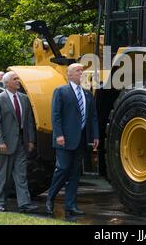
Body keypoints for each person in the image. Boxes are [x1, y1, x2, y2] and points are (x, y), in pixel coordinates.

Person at [46, 63, 99, 216]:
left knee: (75, 173)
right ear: (69, 74)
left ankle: (71, 205)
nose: (81, 73)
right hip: (64, 139)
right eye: (78, 70)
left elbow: (93, 117)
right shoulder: (61, 91)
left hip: (81, 140)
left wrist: (95, 135)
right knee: (62, 169)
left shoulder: (87, 93)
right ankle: (50, 198)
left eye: (82, 70)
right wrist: (59, 135)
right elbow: (55, 115)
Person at [0, 71, 38, 213]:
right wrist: (0, 142)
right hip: (4, 145)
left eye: (18, 78)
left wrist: (30, 140)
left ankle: (24, 203)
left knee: (21, 175)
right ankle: (0, 203)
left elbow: (28, 122)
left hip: (21, 144)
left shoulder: (24, 99)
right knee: (3, 176)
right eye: (15, 79)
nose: (18, 81)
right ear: (7, 83)